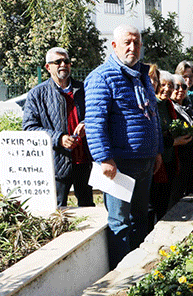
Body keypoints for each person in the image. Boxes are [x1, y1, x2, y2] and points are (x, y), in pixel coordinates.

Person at [84, 24, 163, 269]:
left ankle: (140, 269)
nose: (133, 47)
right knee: (120, 221)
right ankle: (121, 275)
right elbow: (95, 122)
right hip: (119, 166)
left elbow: (153, 115)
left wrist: (157, 149)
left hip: (145, 162)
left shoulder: (142, 75)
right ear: (114, 46)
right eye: (127, 42)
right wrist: (104, 158)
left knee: (141, 217)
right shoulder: (101, 77)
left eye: (136, 42)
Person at [22, 47, 94, 208]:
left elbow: (97, 114)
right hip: (57, 163)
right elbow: (29, 128)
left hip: (84, 160)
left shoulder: (84, 90)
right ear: (48, 67)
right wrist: (59, 138)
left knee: (88, 208)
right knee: (57, 209)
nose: (63, 64)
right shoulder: (37, 94)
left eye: (66, 61)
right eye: (58, 62)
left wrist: (86, 124)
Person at [149, 70, 191, 221]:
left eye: (170, 86)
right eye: (163, 85)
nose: (167, 89)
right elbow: (153, 135)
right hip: (155, 162)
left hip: (170, 161)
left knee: (164, 203)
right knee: (151, 204)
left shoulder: (169, 106)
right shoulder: (151, 105)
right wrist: (174, 141)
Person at [171, 74, 193, 198]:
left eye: (184, 87)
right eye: (176, 87)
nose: (181, 90)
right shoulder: (170, 108)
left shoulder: (189, 106)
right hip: (180, 160)